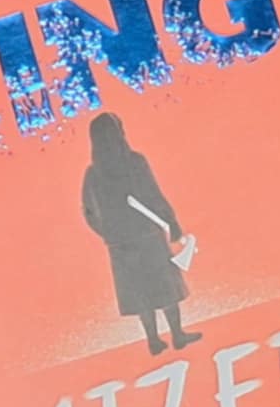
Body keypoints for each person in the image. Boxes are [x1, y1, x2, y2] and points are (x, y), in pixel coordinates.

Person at [80, 112, 198, 354]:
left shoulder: (93, 173)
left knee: (140, 291)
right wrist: (171, 221)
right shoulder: (135, 162)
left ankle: (153, 341)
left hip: (120, 243)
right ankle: (177, 335)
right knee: (164, 287)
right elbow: (154, 194)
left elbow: (88, 211)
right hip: (147, 235)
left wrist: (107, 233)